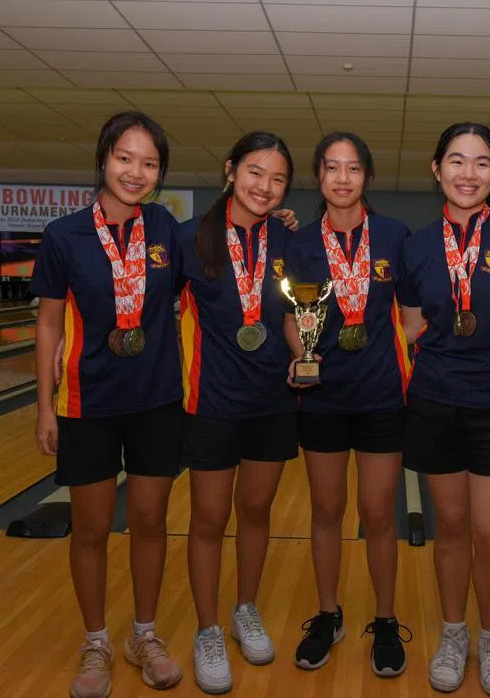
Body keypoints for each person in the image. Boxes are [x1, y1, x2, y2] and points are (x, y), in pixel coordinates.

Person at [32, 111, 184, 698]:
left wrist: (280, 224)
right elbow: (48, 326)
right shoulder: (63, 235)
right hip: (85, 400)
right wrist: (44, 406)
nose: (136, 172)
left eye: (149, 163)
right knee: (91, 528)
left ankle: (143, 634)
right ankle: (96, 639)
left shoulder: (167, 231)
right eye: (126, 158)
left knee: (149, 522)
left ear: (159, 173)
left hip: (155, 400)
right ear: (104, 159)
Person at [397, 123, 490, 698]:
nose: (467, 173)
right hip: (435, 402)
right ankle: (454, 633)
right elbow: (410, 325)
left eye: (481, 163)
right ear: (437, 169)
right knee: (450, 527)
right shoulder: (416, 245)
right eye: (456, 161)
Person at [282, 132, 413, 676]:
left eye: (353, 168)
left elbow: (414, 313)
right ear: (319, 176)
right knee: (326, 509)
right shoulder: (300, 241)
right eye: (332, 168)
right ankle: (328, 613)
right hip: (323, 396)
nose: (342, 178)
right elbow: (291, 314)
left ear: (367, 177)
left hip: (382, 395)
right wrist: (300, 355)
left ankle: (384, 619)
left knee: (379, 514)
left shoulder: (394, 236)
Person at [175, 131, 298, 695]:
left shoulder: (287, 239)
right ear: (230, 170)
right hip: (212, 403)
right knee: (208, 518)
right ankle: (206, 629)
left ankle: (244, 607)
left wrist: (305, 355)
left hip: (273, 400)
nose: (265, 187)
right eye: (255, 172)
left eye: (277, 179)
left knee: (256, 509)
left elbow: (298, 312)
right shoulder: (189, 240)